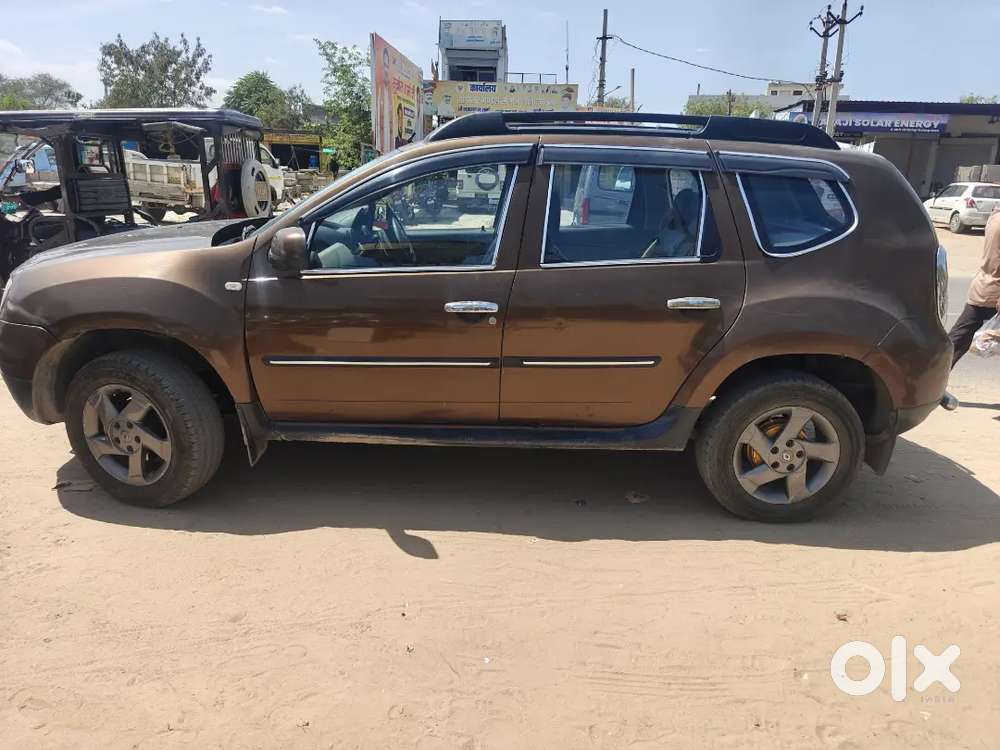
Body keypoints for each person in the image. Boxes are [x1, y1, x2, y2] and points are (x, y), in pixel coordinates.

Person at [948, 209, 1000, 366]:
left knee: (958, 339)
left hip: (983, 287)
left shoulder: (995, 217)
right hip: (994, 291)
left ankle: (929, 375)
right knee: (958, 340)